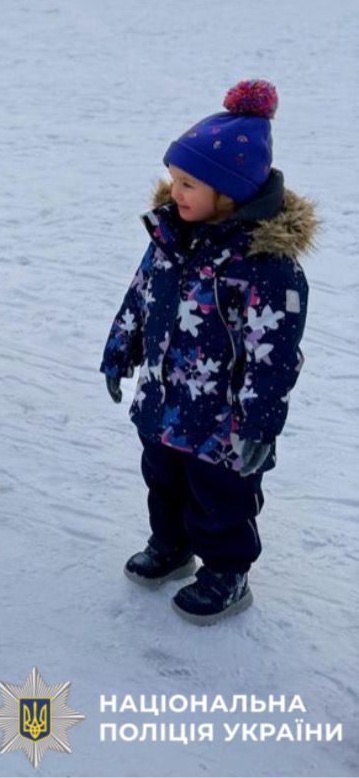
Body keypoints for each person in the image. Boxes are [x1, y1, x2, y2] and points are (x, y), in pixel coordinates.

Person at [101, 80, 316, 624]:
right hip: (163, 401)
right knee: (162, 479)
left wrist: (259, 423)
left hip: (224, 421)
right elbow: (141, 293)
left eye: (188, 183)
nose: (174, 192)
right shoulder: (171, 236)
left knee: (221, 497)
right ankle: (171, 545)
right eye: (174, 179)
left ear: (229, 192)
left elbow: (273, 357)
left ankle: (226, 571)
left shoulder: (266, 268)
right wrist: (120, 346)